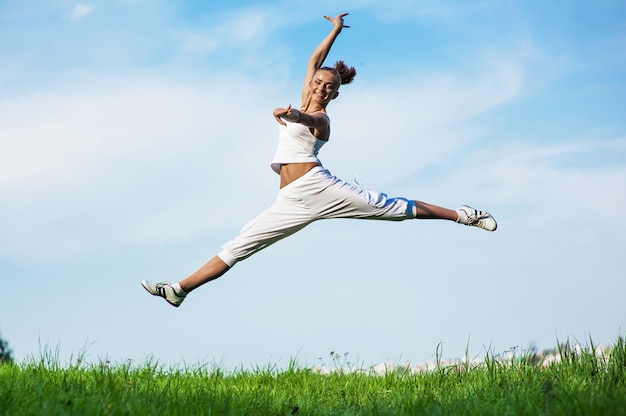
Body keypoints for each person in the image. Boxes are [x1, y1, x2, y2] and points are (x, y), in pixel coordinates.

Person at [141, 13, 497, 308]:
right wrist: (335, 31)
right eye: (320, 82)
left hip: (320, 187)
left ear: (336, 94)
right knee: (240, 246)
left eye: (330, 86)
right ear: (313, 83)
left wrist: (292, 114)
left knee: (394, 208)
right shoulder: (308, 89)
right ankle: (180, 290)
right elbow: (313, 61)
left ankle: (463, 215)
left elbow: (308, 120)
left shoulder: (322, 119)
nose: (322, 87)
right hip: (290, 199)